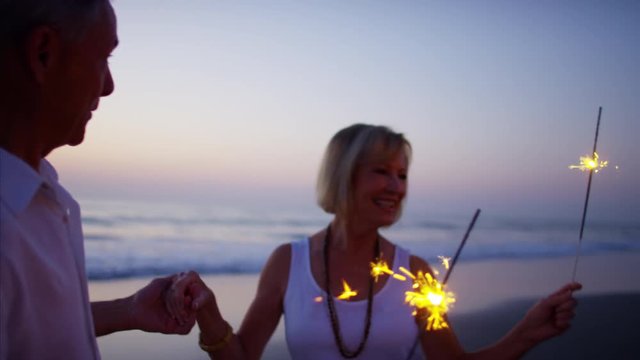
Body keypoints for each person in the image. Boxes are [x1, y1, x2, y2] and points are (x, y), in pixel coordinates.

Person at [166, 123, 582, 359]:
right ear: (344, 175)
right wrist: (210, 316)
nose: (396, 186)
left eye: (402, 174)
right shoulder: (286, 263)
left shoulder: (416, 273)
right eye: (382, 171)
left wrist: (528, 332)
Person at [0, 1, 195, 358]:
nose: (108, 87)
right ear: (43, 53)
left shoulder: (44, 198)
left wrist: (130, 310)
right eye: (104, 58)